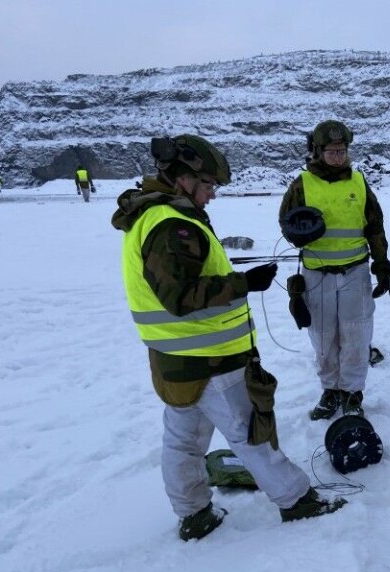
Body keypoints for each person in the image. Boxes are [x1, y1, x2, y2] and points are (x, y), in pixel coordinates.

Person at [114, 134, 345, 541]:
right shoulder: (171, 226)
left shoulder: (153, 217)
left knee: (183, 441)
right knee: (250, 432)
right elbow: (180, 297)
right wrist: (243, 284)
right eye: (208, 186)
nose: (213, 195)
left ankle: (194, 514)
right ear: (184, 179)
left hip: (175, 362)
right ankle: (296, 501)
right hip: (212, 359)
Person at [279, 120, 390, 421]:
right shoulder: (301, 184)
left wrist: (382, 265)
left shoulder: (358, 181)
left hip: (355, 271)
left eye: (342, 151)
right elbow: (285, 222)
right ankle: (330, 391)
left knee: (356, 336)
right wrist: (297, 233)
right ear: (317, 151)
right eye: (331, 152)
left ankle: (352, 392)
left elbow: (375, 225)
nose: (338, 157)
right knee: (323, 336)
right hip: (317, 274)